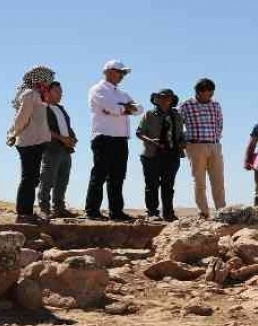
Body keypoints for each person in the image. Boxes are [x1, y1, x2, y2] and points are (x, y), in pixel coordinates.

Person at [84, 60, 144, 221]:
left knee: (118, 177)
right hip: (103, 137)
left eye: (124, 73)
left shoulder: (122, 94)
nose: (122, 76)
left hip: (120, 139)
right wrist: (124, 108)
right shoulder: (97, 89)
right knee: (100, 174)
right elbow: (110, 108)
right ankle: (92, 210)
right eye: (120, 72)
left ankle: (116, 211)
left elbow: (139, 109)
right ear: (109, 71)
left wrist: (122, 109)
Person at [7, 65, 55, 224]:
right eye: (47, 77)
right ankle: (23, 213)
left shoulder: (39, 95)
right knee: (29, 177)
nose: (49, 81)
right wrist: (13, 134)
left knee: (33, 178)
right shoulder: (29, 94)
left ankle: (27, 212)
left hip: (37, 142)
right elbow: (21, 118)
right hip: (28, 142)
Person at [179, 78, 226, 218]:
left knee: (218, 180)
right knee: (199, 180)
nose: (209, 96)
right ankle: (203, 211)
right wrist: (185, 140)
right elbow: (177, 124)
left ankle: (221, 211)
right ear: (198, 92)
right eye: (206, 93)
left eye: (211, 93)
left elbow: (220, 123)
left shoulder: (216, 105)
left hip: (215, 145)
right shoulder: (186, 105)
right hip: (195, 145)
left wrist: (215, 139)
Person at [136, 89, 186, 221]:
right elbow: (139, 132)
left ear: (171, 100)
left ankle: (168, 213)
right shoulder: (149, 115)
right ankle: (152, 213)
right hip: (151, 155)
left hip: (172, 154)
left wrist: (182, 143)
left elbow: (181, 134)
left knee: (168, 186)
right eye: (161, 98)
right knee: (151, 185)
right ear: (156, 100)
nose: (164, 100)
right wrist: (151, 141)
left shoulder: (177, 115)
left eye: (167, 98)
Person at [38, 81, 78, 218]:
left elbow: (67, 126)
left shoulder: (61, 109)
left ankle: (59, 208)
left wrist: (72, 138)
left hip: (66, 150)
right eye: (57, 92)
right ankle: (44, 208)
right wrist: (62, 139)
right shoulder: (42, 108)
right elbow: (44, 129)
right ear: (47, 93)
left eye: (61, 92)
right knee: (47, 179)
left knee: (62, 180)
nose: (60, 94)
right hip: (51, 149)